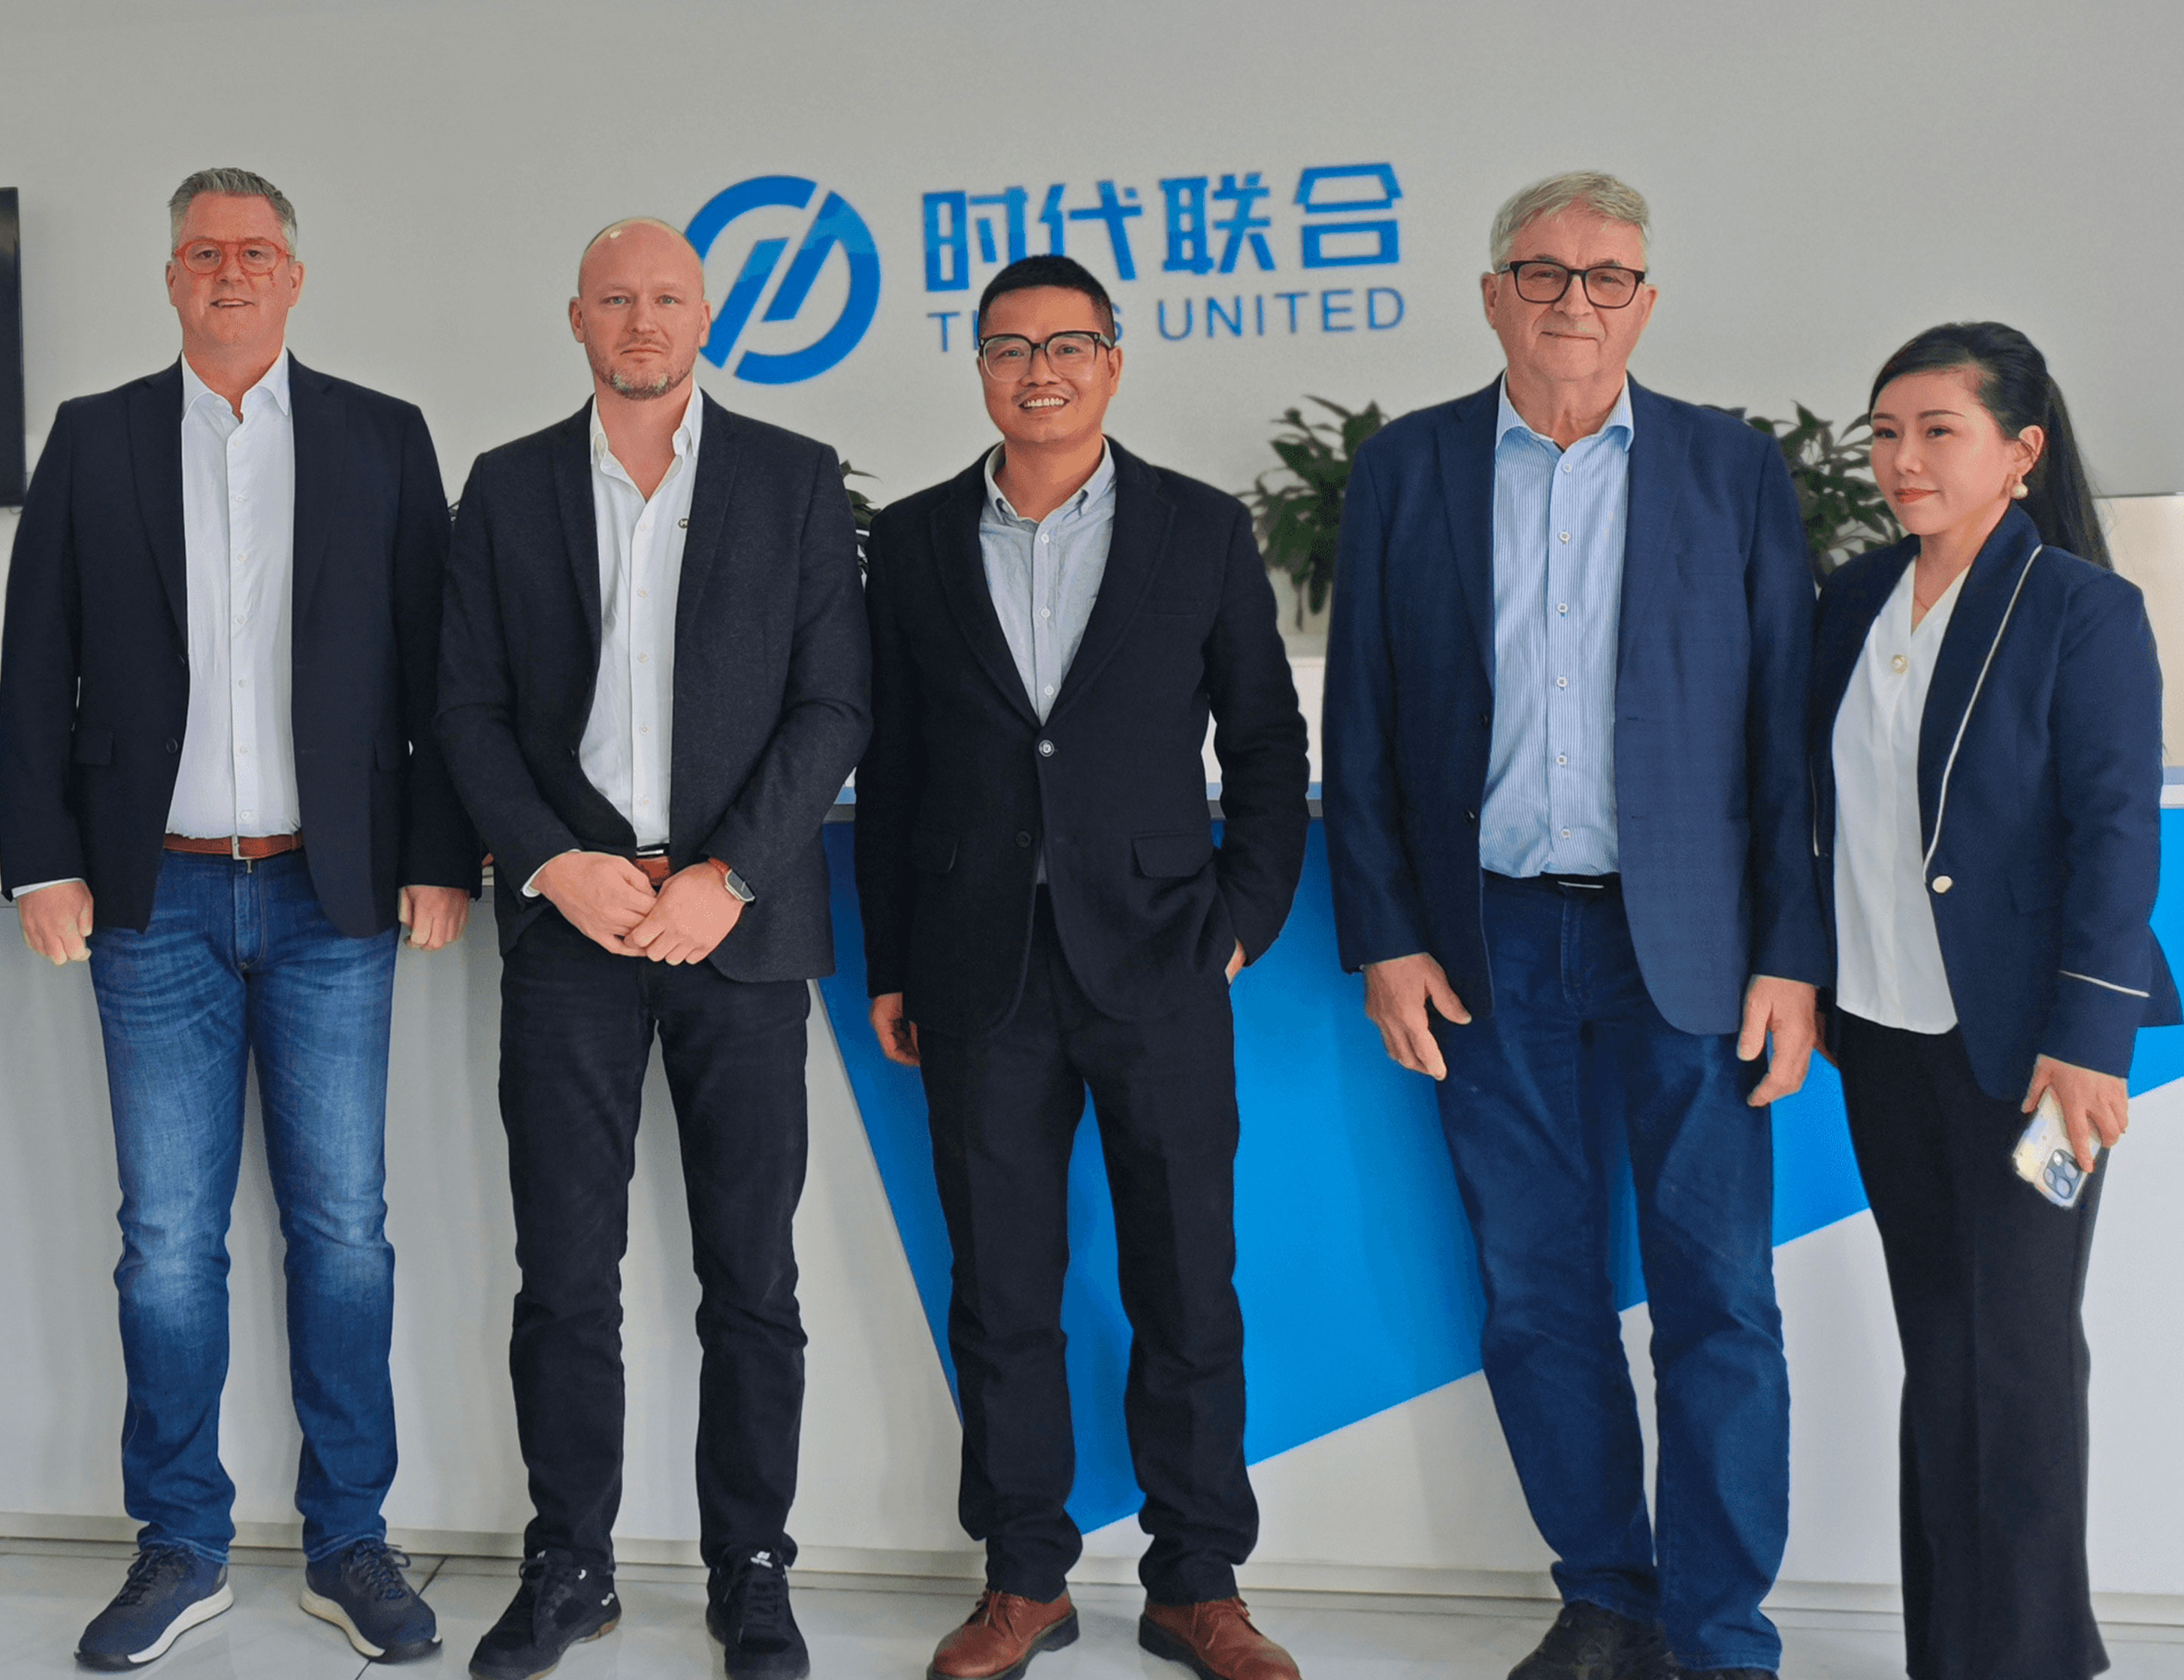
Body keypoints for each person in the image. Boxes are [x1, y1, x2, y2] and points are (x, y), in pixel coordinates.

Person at [1321, 174, 1819, 1680]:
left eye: (1609, 277)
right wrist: (1385, 936)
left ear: (1646, 304)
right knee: (1537, 1296)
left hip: (1696, 949)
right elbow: (1363, 722)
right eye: (1544, 273)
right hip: (1485, 948)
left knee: (1720, 1300)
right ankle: (1608, 1597)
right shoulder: (1407, 470)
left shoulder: (1729, 470)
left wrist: (1791, 953)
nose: (1575, 302)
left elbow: (1783, 734)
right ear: (1494, 296)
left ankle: (1721, 1635)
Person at [0, 168, 481, 1669]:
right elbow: (38, 658)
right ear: (170, 278)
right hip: (155, 896)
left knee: (344, 1230)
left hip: (336, 893)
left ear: (294, 275)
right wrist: (43, 859)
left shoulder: (381, 437)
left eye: (254, 251)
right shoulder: (95, 438)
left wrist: (441, 853)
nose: (228, 270)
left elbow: (440, 664)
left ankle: (351, 1538)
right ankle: (180, 1542)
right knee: (166, 1240)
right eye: (202, 251)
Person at [855, 255, 1312, 1680]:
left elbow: (1266, 742)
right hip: (977, 970)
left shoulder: (1198, 528)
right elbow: (895, 768)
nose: (1038, 371)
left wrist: (1239, 919)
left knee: (1187, 1284)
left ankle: (1199, 1581)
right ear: (979, 369)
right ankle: (1024, 1578)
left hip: (1162, 958)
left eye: (1066, 345)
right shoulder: (915, 542)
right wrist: (891, 962)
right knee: (1002, 1291)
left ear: (1113, 361)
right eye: (1009, 348)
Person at [436, 216, 871, 1680]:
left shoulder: (793, 478)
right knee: (565, 1272)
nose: (642, 321)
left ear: (708, 315)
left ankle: (753, 1568)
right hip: (571, 931)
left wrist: (727, 876)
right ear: (577, 319)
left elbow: (835, 704)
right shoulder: (507, 487)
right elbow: (468, 710)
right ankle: (571, 1563)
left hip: (736, 935)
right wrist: (553, 863)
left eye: (667, 298)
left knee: (752, 1278)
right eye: (615, 299)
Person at [1810, 322, 2173, 1680]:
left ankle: (2033, 1659)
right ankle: (1959, 1654)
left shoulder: (2083, 608)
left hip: (2035, 1059)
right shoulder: (1853, 600)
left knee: (2016, 1356)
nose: (1902, 459)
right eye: (1884, 433)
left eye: (1937, 431)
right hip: (1883, 1040)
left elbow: (2114, 835)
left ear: (2021, 452)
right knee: (1943, 1349)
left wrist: (2089, 1042)